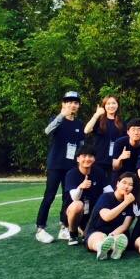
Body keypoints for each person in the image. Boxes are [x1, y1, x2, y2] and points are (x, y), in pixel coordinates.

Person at [36, 91, 86, 244]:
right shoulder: (57, 120)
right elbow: (47, 131)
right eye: (69, 102)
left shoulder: (79, 124)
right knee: (49, 196)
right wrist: (61, 115)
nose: (72, 105)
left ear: (78, 105)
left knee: (68, 197)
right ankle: (40, 229)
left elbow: (81, 145)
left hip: (71, 167)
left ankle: (64, 226)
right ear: (63, 104)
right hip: (55, 165)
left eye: (75, 102)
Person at [63, 147, 110, 246]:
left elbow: (109, 191)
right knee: (77, 205)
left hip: (93, 213)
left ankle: (86, 230)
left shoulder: (99, 172)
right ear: (78, 159)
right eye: (84, 156)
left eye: (90, 156)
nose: (87, 159)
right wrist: (81, 187)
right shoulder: (71, 174)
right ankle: (73, 234)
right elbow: (74, 198)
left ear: (94, 159)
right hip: (76, 213)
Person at [85, 171, 136, 261]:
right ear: (117, 183)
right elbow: (107, 217)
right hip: (97, 231)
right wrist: (126, 202)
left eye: (130, 185)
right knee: (99, 238)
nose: (126, 186)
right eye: (124, 182)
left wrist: (111, 236)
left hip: (117, 233)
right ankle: (101, 248)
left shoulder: (132, 203)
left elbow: (125, 226)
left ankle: (115, 248)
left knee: (120, 238)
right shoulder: (106, 197)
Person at [84, 95, 124, 177]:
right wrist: (97, 114)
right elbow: (86, 130)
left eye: (113, 103)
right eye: (108, 104)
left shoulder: (122, 123)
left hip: (114, 162)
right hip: (98, 161)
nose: (111, 106)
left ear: (118, 105)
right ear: (104, 106)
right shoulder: (99, 121)